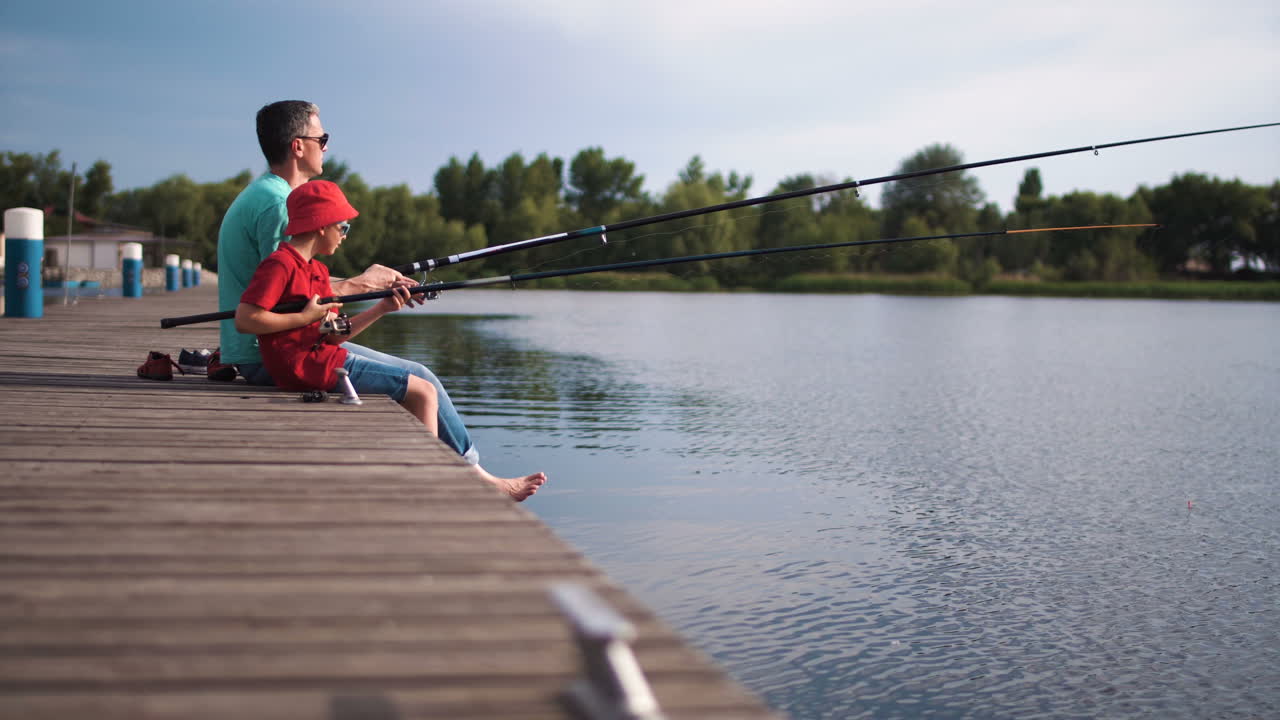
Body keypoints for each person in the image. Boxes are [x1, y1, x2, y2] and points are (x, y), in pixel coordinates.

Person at [218, 101, 545, 500]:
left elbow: (304, 286)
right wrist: (359, 283)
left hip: (293, 346)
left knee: (419, 376)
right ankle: (466, 478)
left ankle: (459, 472)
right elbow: (287, 288)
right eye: (323, 139)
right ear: (298, 146)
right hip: (269, 356)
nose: (327, 147)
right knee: (421, 380)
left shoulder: (271, 195)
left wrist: (376, 294)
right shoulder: (277, 204)